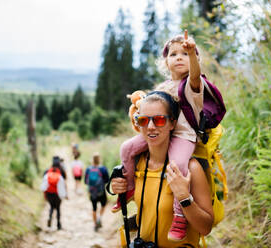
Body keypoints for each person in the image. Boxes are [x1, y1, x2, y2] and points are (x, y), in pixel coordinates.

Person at [114, 30, 205, 241]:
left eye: (185, 53)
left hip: (183, 135)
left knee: (177, 165)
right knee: (127, 148)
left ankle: (179, 215)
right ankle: (128, 188)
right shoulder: (162, 87)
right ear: (165, 62)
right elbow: (149, 109)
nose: (179, 57)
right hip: (161, 130)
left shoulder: (192, 85)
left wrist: (192, 55)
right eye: (173, 54)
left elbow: (195, 76)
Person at [111, 92, 213, 247]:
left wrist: (184, 198)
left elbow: (206, 228)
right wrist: (117, 187)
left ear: (172, 123)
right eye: (143, 120)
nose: (150, 127)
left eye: (159, 120)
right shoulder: (137, 164)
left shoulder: (191, 168)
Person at [84, 152, 110, 232]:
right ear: (99, 159)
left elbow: (85, 181)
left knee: (94, 208)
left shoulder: (88, 169)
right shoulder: (103, 169)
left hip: (92, 192)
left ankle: (95, 225)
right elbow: (107, 180)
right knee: (104, 204)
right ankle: (99, 217)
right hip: (101, 191)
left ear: (92, 160)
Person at [41, 156, 67, 230]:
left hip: (49, 193)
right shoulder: (61, 171)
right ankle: (58, 224)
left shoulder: (47, 171)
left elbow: (44, 182)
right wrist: (65, 194)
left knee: (52, 206)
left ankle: (50, 217)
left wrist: (44, 194)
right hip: (58, 193)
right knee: (58, 208)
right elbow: (64, 182)